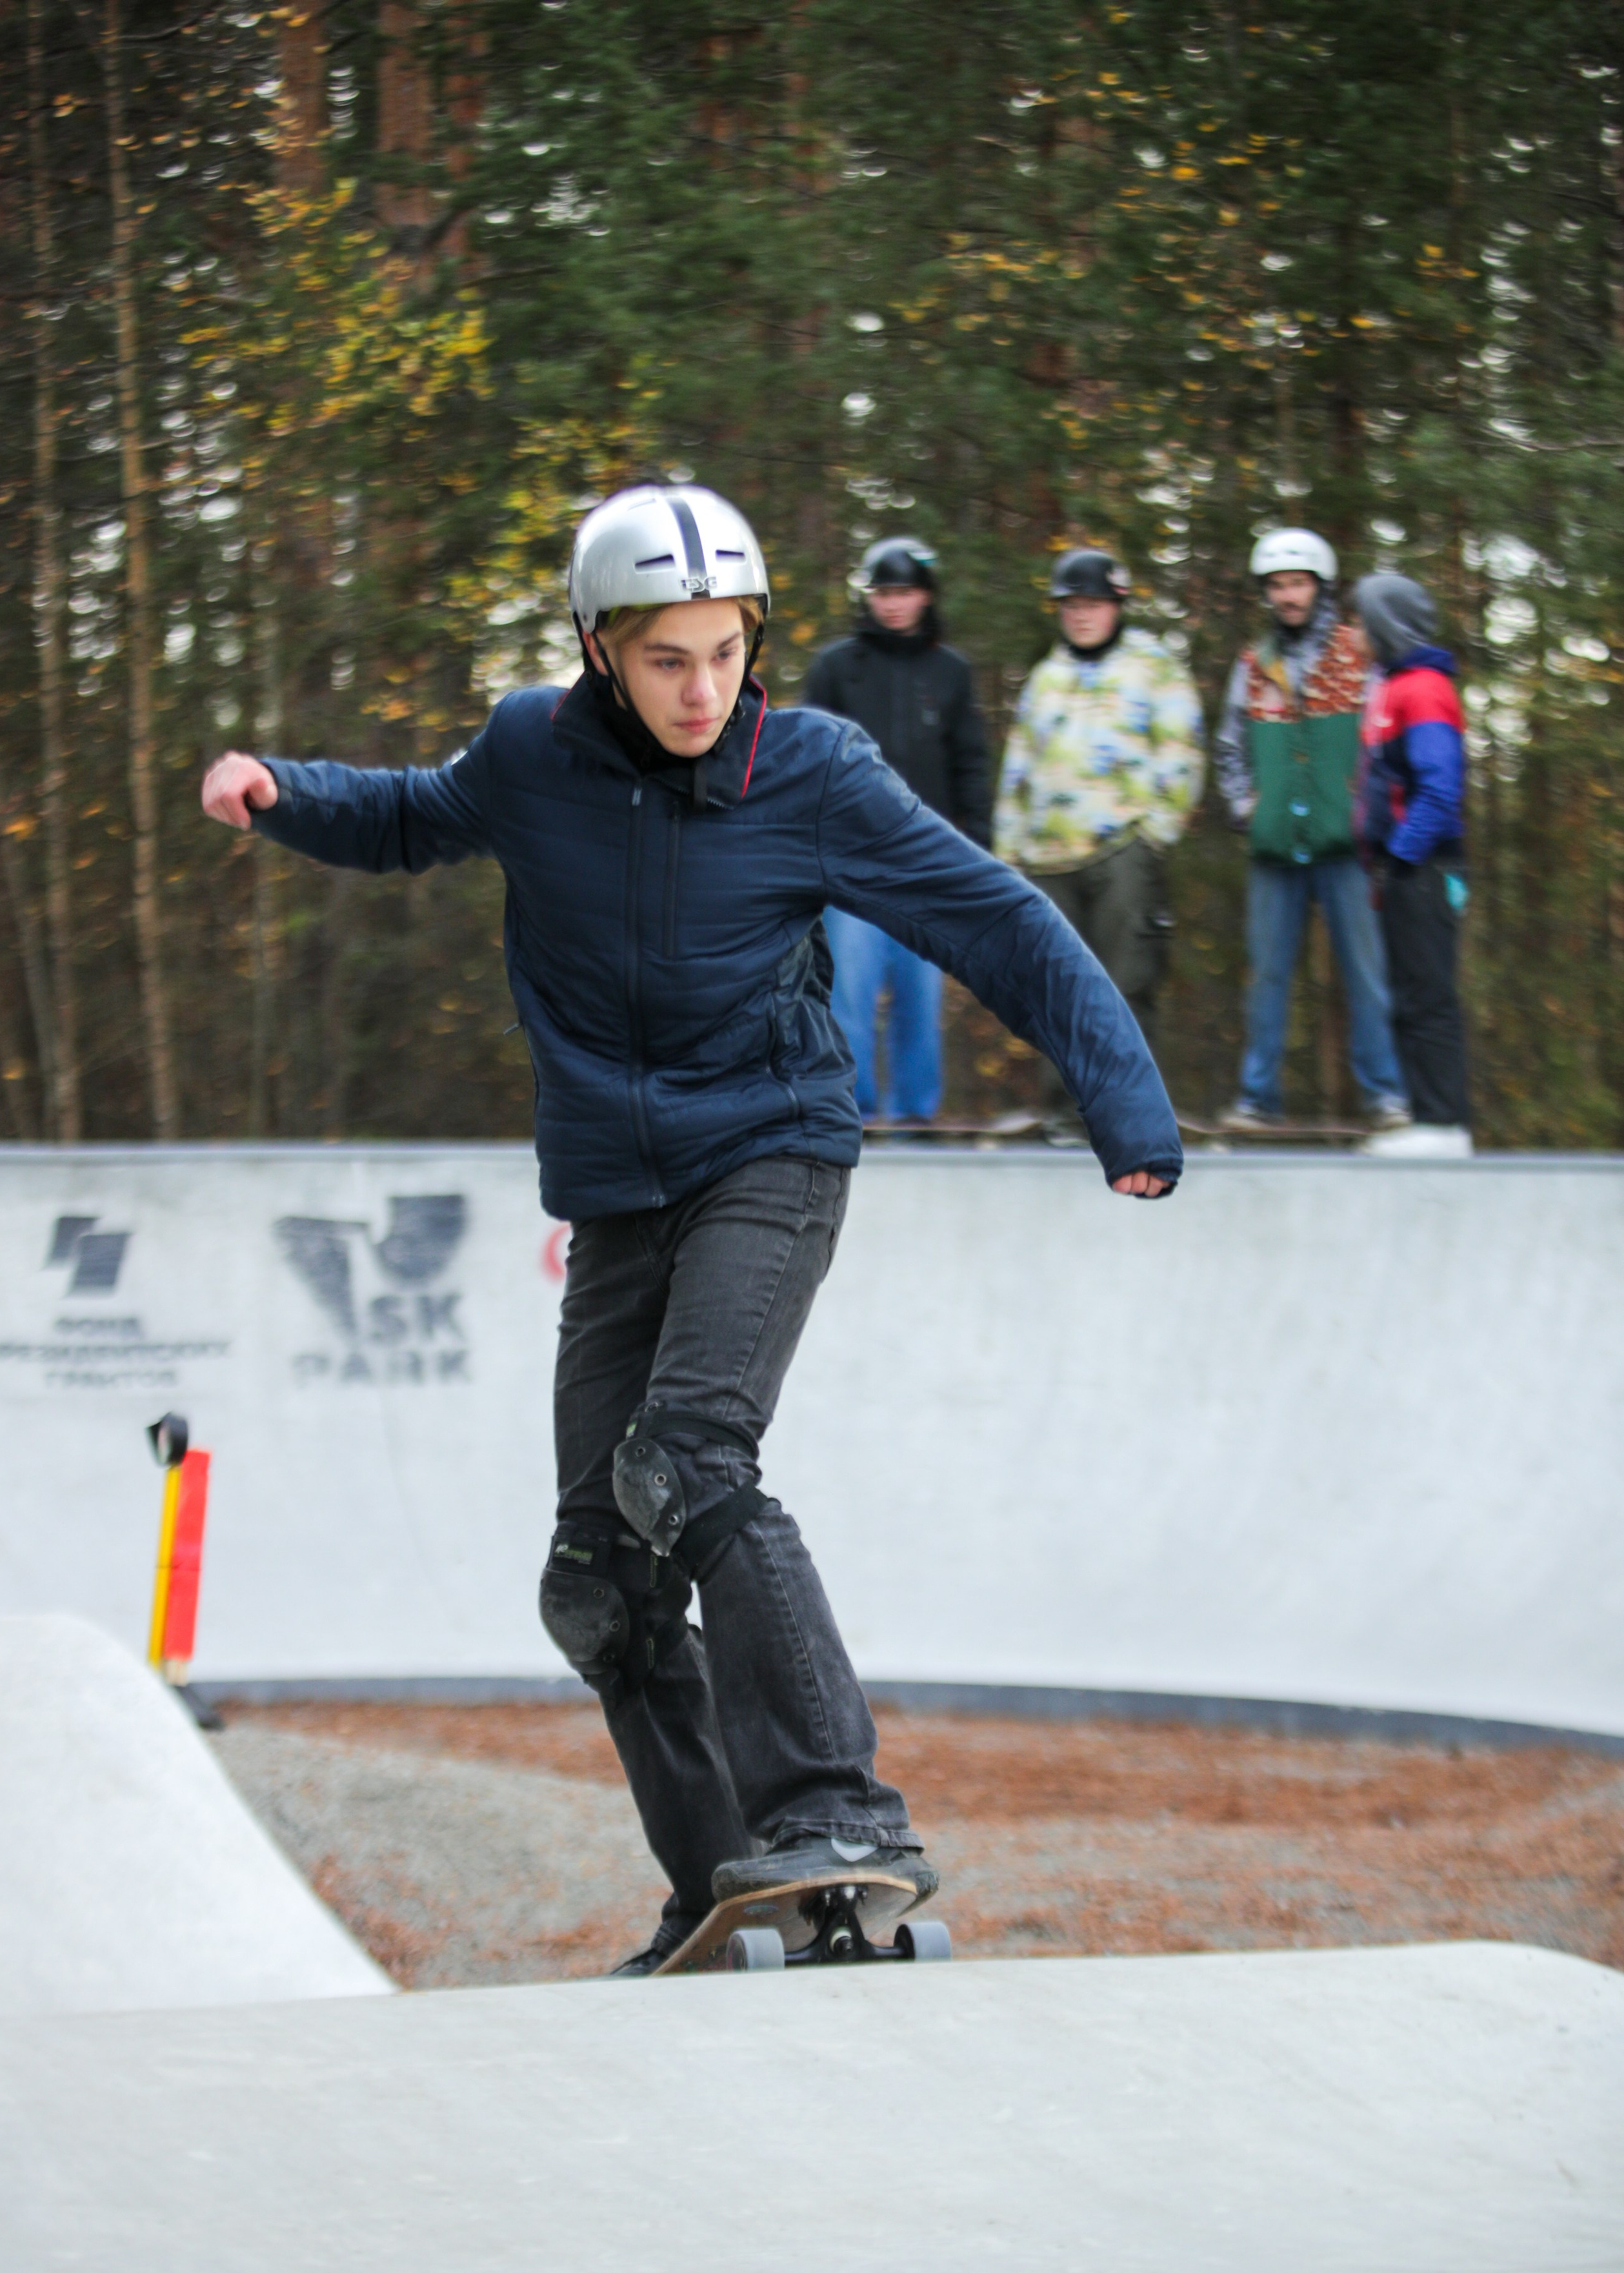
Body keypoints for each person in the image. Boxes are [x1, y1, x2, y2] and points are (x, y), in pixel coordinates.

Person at [201, 483, 1183, 1975]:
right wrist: (279, 788)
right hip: (616, 1192)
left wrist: (1124, 1107)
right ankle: (725, 1881)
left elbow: (994, 920)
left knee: (688, 1456)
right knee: (595, 1572)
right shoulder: (532, 749)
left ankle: (838, 1807)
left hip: (773, 1152)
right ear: (598, 648)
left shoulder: (814, 771)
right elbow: (412, 816)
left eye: (725, 653)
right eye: (668, 658)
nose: (702, 690)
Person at [1213, 528, 1411, 1133]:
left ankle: (1384, 1094)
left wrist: (1369, 809)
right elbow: (1229, 746)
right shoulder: (1253, 666)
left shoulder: (1359, 654)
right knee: (1267, 975)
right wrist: (1248, 807)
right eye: (1277, 586)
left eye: (1298, 583)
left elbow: (1384, 736)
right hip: (1275, 845)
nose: (1287, 596)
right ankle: (1257, 1097)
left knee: (1366, 973)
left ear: (1320, 587)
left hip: (1344, 843)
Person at [994, 549, 1204, 1095]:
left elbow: (1182, 751)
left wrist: (1156, 835)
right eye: (1070, 605)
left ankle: (1130, 1109)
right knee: (1054, 987)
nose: (1081, 615)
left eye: (1093, 604)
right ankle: (1066, 1111)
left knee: (1127, 978)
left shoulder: (1154, 667)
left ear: (1117, 606)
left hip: (1121, 850)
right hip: (1046, 861)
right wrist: (1007, 853)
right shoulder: (1046, 677)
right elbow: (1018, 766)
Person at [802, 536, 991, 1124]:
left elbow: (971, 762)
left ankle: (915, 1113)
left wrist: (979, 848)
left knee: (919, 993)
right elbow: (805, 757)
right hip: (849, 857)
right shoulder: (837, 667)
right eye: (884, 593)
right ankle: (850, 1109)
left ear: (925, 597)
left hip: (924, 861)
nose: (894, 605)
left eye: (905, 593)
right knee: (850, 989)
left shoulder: (950, 672)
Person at [1351, 573, 1472, 1158]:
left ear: (1385, 626)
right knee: (1406, 991)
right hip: (1400, 870)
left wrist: (1401, 855)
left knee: (1427, 993)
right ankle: (1430, 1118)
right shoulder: (1391, 686)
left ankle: (1444, 1124)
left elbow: (1440, 786)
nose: (1353, 633)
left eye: (1361, 622)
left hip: (1424, 866)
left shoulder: (1422, 689)